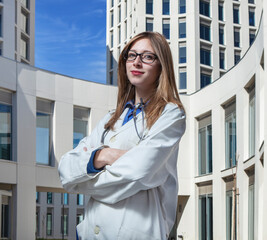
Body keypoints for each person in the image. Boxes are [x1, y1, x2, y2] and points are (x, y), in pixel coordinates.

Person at [58, 32, 186, 240]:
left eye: (147, 56)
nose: (136, 62)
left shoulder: (171, 114)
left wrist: (83, 179)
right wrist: (104, 156)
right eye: (131, 55)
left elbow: (139, 171)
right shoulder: (111, 118)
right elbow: (66, 169)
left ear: (161, 65)